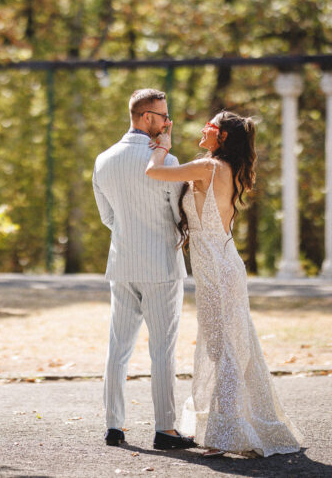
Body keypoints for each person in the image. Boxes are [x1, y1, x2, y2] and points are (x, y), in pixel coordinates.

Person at [145, 111, 303, 457]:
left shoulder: (209, 167)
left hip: (218, 269)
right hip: (223, 264)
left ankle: (226, 433)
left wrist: (161, 146)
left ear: (223, 137)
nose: (204, 129)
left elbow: (154, 172)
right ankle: (242, 429)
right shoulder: (223, 168)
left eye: (211, 126)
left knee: (222, 348)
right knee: (232, 345)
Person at [92, 89, 197, 451]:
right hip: (162, 266)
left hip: (121, 265)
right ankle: (165, 429)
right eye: (164, 116)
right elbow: (176, 216)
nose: (169, 122)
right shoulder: (167, 162)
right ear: (146, 117)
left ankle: (113, 426)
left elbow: (108, 217)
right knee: (163, 350)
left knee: (117, 348)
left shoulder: (103, 160)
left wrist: (130, 232)